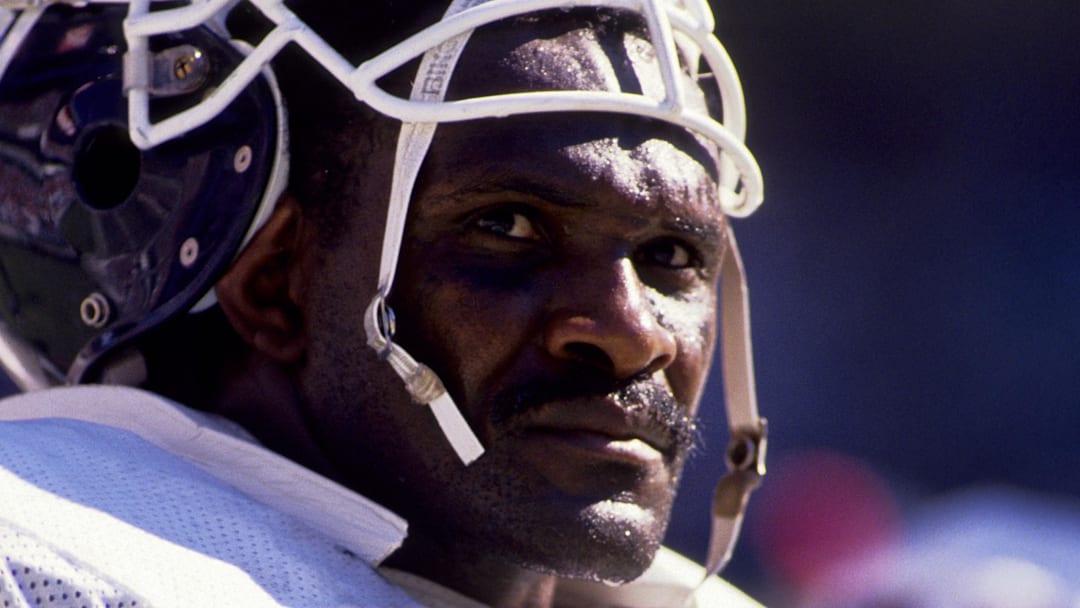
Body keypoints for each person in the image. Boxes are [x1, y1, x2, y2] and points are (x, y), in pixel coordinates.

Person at [0, 0, 767, 606]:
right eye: (507, 226)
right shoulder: (43, 559)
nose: (635, 335)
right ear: (274, 285)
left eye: (671, 255)